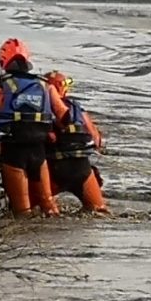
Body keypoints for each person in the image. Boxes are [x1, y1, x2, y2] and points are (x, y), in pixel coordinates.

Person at [0, 38, 69, 217]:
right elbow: (65, 116)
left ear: (3, 61)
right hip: (38, 152)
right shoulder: (45, 85)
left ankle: (24, 242)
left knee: (22, 212)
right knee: (49, 206)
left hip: (13, 152)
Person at [43, 71, 110, 214]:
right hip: (80, 168)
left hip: (51, 169)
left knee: (43, 212)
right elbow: (95, 138)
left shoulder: (40, 108)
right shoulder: (75, 107)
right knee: (99, 211)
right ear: (62, 88)